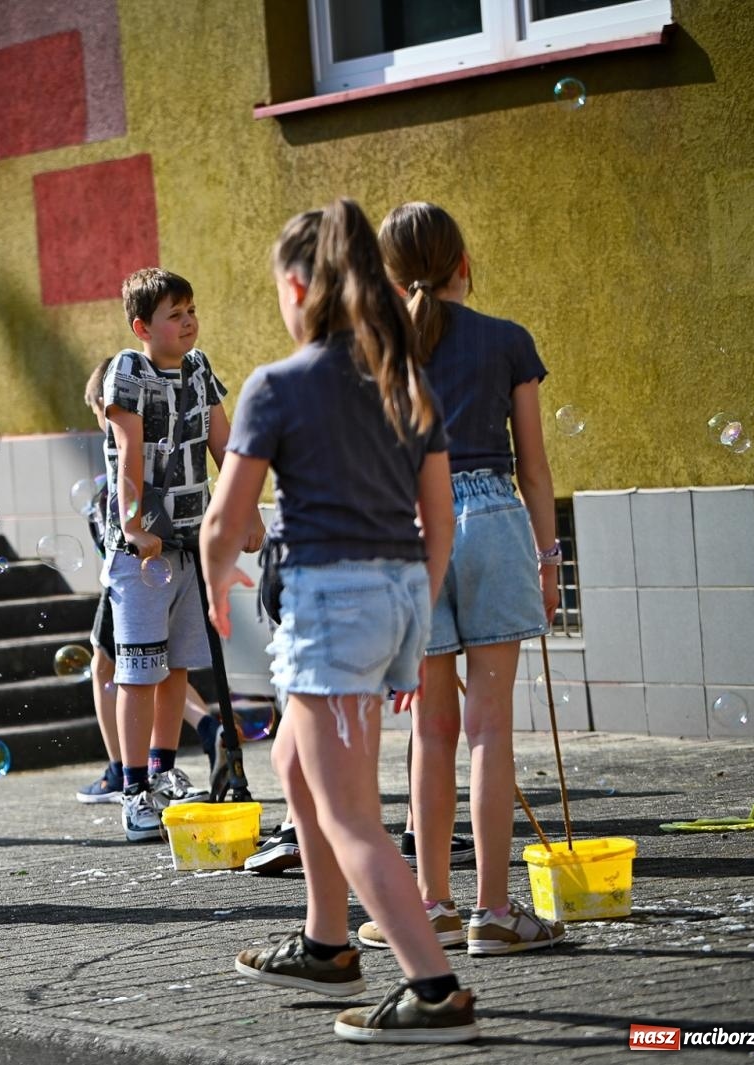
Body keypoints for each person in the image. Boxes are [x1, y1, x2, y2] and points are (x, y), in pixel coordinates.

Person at [202, 199, 477, 1043]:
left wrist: (216, 584)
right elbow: (440, 521)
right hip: (396, 593)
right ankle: (326, 943)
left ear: (296, 288)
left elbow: (223, 521)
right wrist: (413, 622)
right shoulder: (405, 380)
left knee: (351, 813)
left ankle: (435, 990)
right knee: (293, 756)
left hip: (332, 605)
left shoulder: (276, 385)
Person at [350, 201, 566, 957]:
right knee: (490, 729)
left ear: (390, 279)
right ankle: (494, 913)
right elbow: (535, 470)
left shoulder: (375, 350)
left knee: (430, 730)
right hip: (495, 525)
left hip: (413, 534)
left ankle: (433, 904)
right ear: (464, 264)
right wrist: (549, 562)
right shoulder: (509, 341)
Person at [101, 268, 260, 843]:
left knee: (177, 668)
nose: (189, 321)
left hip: (193, 546)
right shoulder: (129, 371)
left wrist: (247, 511)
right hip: (143, 553)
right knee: (138, 671)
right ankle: (133, 789)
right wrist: (133, 525)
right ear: (143, 327)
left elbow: (225, 445)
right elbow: (129, 451)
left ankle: (165, 772)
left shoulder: (199, 368)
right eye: (175, 314)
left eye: (191, 310)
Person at [73, 356, 223, 805]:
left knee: (131, 667)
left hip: (154, 563)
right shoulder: (116, 482)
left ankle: (130, 772)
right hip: (141, 565)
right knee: (142, 667)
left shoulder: (175, 377)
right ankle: (138, 776)